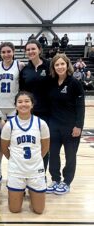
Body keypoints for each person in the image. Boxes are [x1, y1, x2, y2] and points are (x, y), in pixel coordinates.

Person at [1, 91, 50, 214]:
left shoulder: (41, 124)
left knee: (39, 210)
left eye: (27, 101)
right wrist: (15, 161)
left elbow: (45, 148)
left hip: (35, 170)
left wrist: (35, 160)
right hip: (16, 171)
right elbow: (4, 148)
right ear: (15, 105)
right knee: (14, 209)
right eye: (20, 102)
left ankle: (32, 191)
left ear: (32, 104)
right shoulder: (9, 125)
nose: (23, 104)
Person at [47, 54, 85, 195]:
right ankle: (55, 179)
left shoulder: (74, 83)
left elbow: (80, 106)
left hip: (70, 127)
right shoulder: (51, 82)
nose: (60, 67)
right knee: (53, 154)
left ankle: (67, 181)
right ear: (53, 67)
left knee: (70, 156)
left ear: (67, 65)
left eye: (62, 64)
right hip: (54, 126)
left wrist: (78, 126)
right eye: (57, 65)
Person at [20, 39, 52, 170]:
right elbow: (22, 93)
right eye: (28, 50)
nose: (30, 51)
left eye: (33, 49)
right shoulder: (25, 70)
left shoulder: (50, 66)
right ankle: (27, 172)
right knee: (29, 144)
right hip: (30, 113)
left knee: (44, 144)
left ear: (39, 50)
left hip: (47, 112)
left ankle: (41, 173)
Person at [0, 42, 25, 121]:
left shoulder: (20, 65)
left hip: (14, 105)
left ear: (13, 52)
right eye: (3, 52)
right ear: (0, 53)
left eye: (9, 51)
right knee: (0, 131)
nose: (6, 54)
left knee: (13, 131)